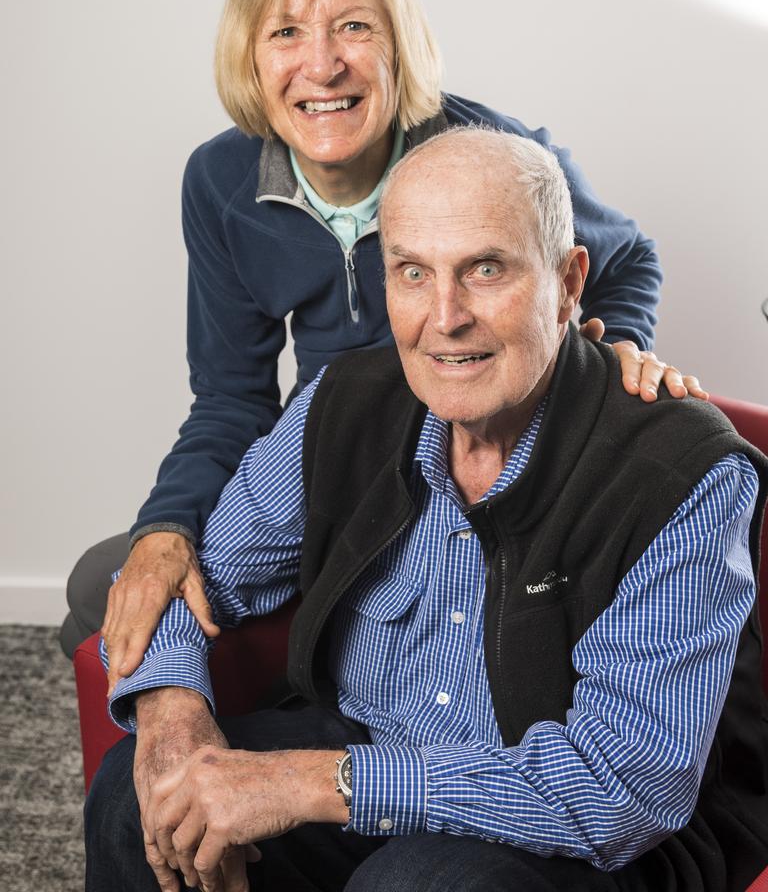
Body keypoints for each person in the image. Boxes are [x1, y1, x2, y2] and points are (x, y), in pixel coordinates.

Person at [85, 129, 768, 892]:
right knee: (134, 795)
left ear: (569, 282)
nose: (445, 317)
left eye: (484, 269)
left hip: (589, 829)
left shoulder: (680, 472)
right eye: (413, 272)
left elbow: (623, 788)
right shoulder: (344, 403)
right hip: (374, 743)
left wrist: (309, 783)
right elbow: (197, 578)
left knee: (419, 884)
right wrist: (173, 721)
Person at [60, 0, 707, 685]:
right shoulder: (221, 184)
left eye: (355, 27)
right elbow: (231, 398)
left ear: (399, 45)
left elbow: (625, 257)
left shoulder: (488, 158)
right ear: (249, 55)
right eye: (286, 32)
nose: (323, 65)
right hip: (327, 456)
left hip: (464, 463)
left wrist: (618, 344)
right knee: (106, 587)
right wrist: (166, 526)